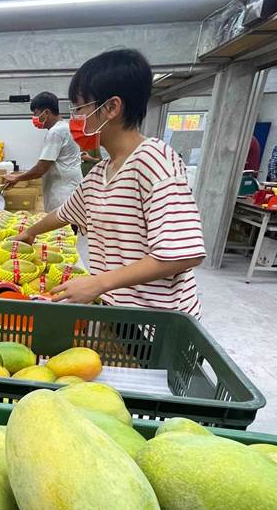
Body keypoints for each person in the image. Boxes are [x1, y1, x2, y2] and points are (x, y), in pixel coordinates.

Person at [15, 49, 206, 317]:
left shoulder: (155, 160)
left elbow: (184, 253)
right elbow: (64, 213)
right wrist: (30, 233)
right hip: (118, 311)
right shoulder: (100, 172)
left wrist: (98, 283)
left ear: (111, 108)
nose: (76, 119)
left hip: (157, 323)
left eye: (80, 108)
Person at [2, 92, 83, 213]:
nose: (34, 118)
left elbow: (41, 168)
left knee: (61, 230)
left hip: (62, 194)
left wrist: (17, 178)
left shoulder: (56, 132)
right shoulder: (66, 127)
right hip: (70, 189)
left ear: (46, 112)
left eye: (35, 114)